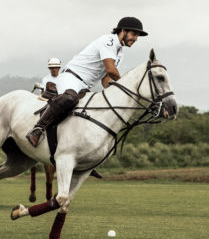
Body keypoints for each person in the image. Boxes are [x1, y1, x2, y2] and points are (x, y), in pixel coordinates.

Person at [25, 16, 148, 147]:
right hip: (71, 78)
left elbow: (106, 79)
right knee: (69, 99)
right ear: (122, 31)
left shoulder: (120, 53)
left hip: (85, 86)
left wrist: (114, 92)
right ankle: (37, 129)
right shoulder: (108, 41)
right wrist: (127, 86)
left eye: (137, 36)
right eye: (133, 34)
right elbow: (111, 70)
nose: (135, 39)